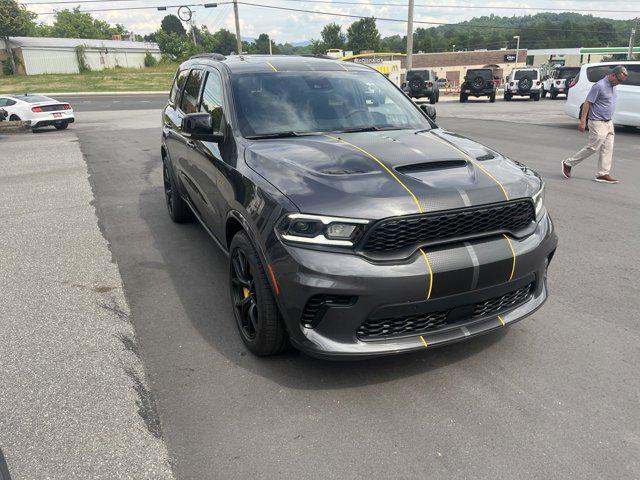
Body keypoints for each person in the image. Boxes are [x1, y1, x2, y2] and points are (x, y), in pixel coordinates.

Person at [561, 65, 628, 184]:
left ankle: (602, 174)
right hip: (597, 122)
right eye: (619, 80)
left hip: (608, 122)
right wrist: (583, 122)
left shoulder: (613, 86)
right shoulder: (599, 86)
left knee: (608, 149)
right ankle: (568, 163)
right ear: (613, 75)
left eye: (621, 81)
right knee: (593, 148)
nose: (619, 83)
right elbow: (587, 103)